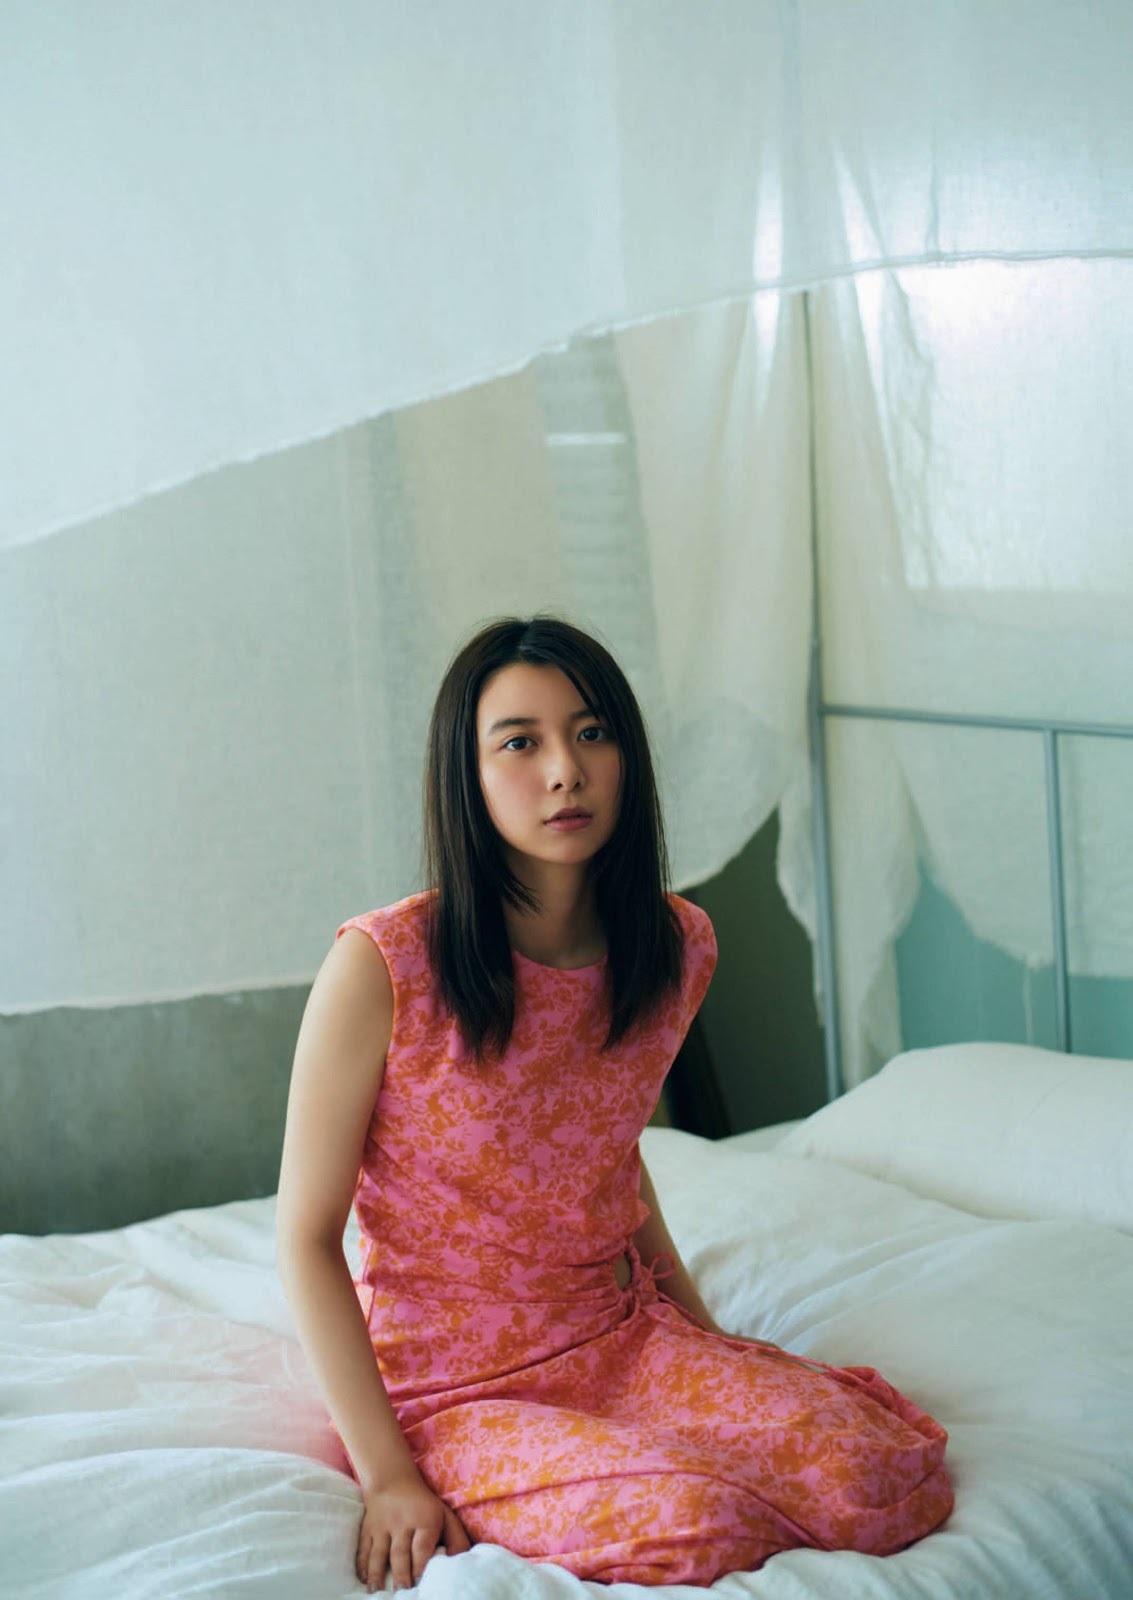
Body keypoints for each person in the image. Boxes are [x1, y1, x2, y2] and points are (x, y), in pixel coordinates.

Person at [276, 616, 953, 1593]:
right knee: (687, 1527)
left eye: (591, 733)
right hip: (452, 1384)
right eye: (519, 742)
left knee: (870, 1470)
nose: (565, 770)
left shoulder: (674, 948)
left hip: (617, 1338)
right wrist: (387, 1477)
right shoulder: (383, 964)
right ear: (464, 775)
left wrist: (704, 1336)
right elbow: (305, 1239)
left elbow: (608, 1152)